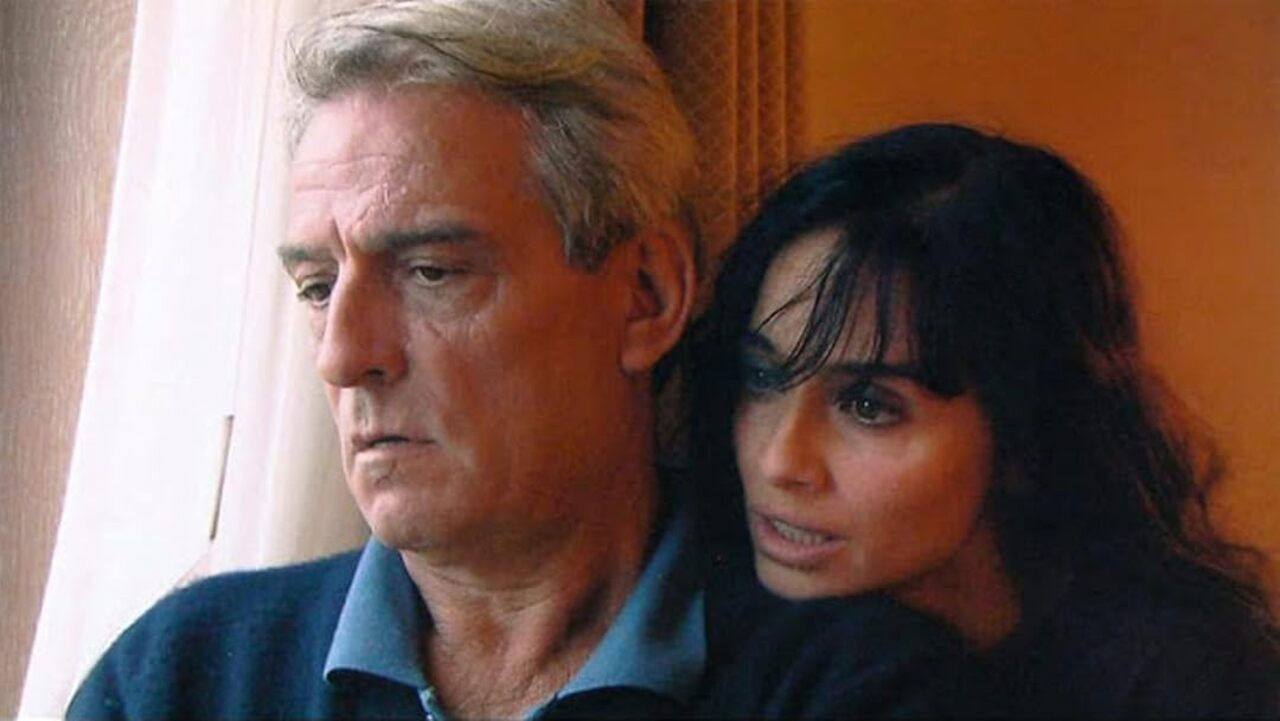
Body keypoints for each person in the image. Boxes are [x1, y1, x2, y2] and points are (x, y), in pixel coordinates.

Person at [66, 4, 981, 719]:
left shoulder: (863, 688)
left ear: (647, 295)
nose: (345, 356)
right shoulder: (180, 675)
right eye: (316, 287)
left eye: (432, 272)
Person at [692, 122, 1280, 717]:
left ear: (1024, 432)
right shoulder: (709, 637)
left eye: (868, 406)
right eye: (762, 376)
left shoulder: (1186, 682)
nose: (779, 461)